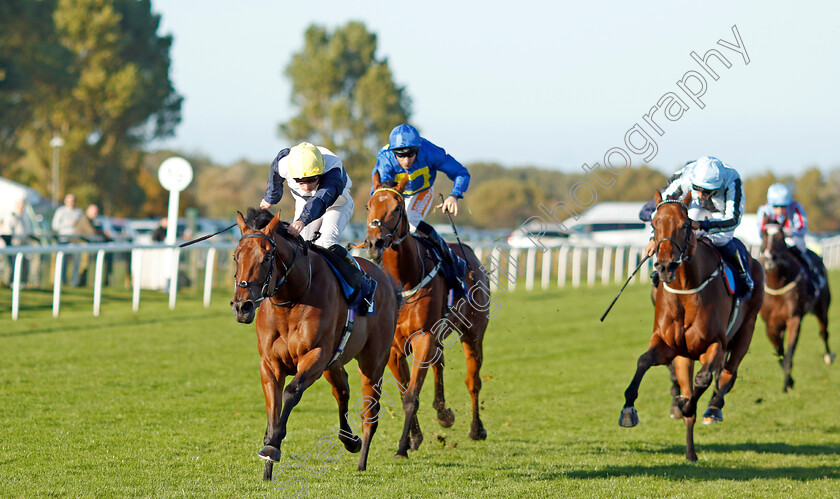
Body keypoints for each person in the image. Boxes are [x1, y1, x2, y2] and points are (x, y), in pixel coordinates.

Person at [370, 123, 470, 296]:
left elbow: (461, 173)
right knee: (383, 231)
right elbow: (381, 192)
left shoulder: (431, 152)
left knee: (412, 223)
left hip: (420, 193)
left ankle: (454, 264)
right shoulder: (385, 157)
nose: (406, 161)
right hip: (394, 196)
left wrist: (454, 195)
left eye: (411, 155)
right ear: (393, 152)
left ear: (418, 148)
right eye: (401, 156)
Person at [644, 156, 754, 298]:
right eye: (697, 189)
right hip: (694, 207)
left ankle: (742, 274)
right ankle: (667, 267)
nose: (701, 195)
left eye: (707, 191)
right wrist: (654, 238)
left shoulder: (733, 181)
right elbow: (660, 209)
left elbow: (733, 219)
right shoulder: (685, 177)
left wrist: (703, 225)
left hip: (720, 214)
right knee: (681, 234)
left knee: (721, 240)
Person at [259, 142, 357, 266]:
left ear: (321, 172)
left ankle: (360, 277)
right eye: (299, 181)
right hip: (305, 204)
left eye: (311, 179)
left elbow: (320, 200)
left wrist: (302, 220)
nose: (306, 187)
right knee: (299, 246)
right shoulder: (284, 163)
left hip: (337, 205)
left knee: (325, 243)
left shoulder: (333, 169)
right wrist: (271, 198)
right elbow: (275, 174)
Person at [757, 183, 825, 291]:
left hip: (792, 242)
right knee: (759, 262)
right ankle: (752, 285)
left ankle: (814, 278)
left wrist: (788, 233)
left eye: (783, 206)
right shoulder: (763, 210)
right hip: (773, 244)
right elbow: (761, 231)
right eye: (776, 206)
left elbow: (802, 227)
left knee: (802, 257)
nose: (780, 209)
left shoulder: (796, 207)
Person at [51, 193, 83, 286]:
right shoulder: (60, 211)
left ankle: (74, 282)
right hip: (63, 239)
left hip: (75, 240)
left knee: (76, 262)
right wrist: (68, 224)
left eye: (72, 200)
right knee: (62, 261)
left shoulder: (79, 212)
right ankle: (61, 281)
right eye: (69, 200)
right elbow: (55, 226)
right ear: (65, 201)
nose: (71, 203)